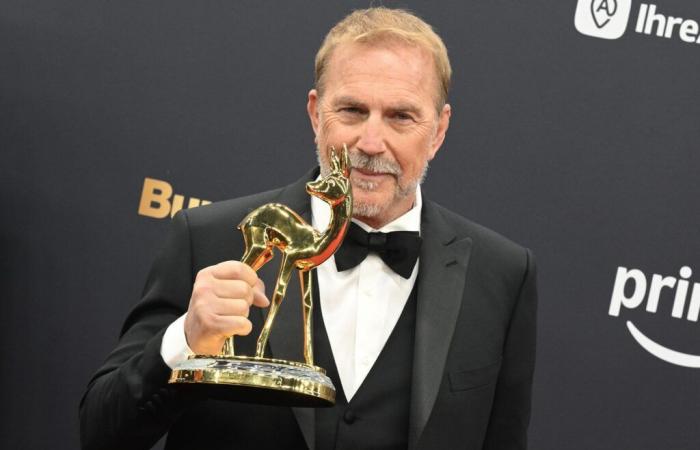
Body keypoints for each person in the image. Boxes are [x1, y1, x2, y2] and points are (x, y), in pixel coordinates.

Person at [80, 7, 537, 450]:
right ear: (317, 114)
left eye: (401, 116)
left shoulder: (501, 275)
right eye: (353, 111)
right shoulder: (209, 238)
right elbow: (102, 431)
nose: (371, 143)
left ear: (438, 130)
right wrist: (183, 340)